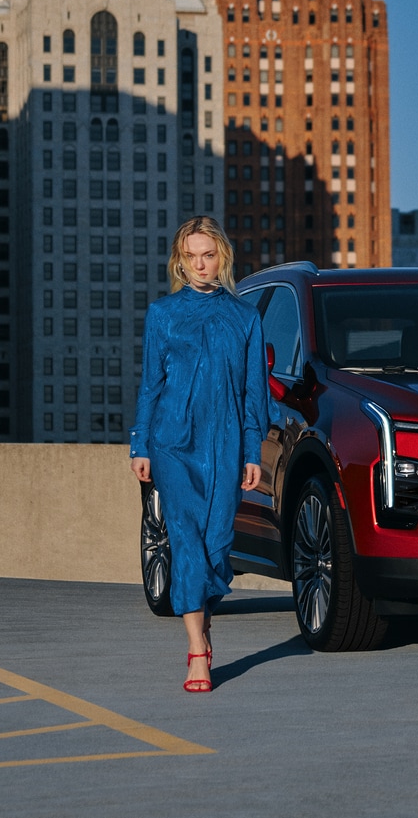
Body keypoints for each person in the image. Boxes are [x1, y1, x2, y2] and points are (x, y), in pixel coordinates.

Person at [129, 216, 269, 693]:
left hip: (226, 444)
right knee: (187, 543)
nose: (200, 265)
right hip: (172, 443)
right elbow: (151, 385)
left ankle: (201, 623)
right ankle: (196, 650)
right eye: (191, 257)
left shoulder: (245, 318)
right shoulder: (163, 314)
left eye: (208, 255)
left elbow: (254, 394)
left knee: (217, 546)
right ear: (180, 262)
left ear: (221, 257)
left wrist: (252, 452)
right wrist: (140, 444)